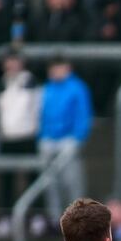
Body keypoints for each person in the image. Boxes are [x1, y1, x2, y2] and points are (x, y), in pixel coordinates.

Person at [38, 56, 93, 226]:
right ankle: (55, 219)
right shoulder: (47, 89)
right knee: (50, 182)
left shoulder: (77, 88)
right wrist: (42, 137)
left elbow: (83, 115)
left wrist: (77, 138)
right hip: (49, 140)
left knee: (72, 180)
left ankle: (77, 217)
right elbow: (42, 115)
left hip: (69, 139)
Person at [0, 51, 40, 224]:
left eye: (15, 60)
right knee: (6, 181)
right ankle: (6, 218)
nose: (11, 65)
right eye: (8, 61)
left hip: (27, 137)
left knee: (32, 178)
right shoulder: (0, 84)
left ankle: (35, 217)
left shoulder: (30, 82)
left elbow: (36, 109)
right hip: (6, 138)